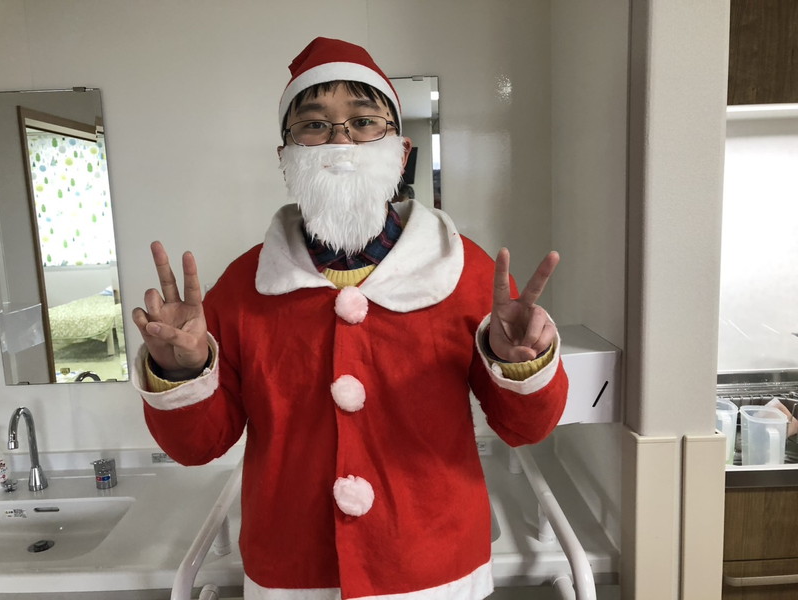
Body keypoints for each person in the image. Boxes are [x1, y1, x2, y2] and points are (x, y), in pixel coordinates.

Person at [132, 37, 568, 600]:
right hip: (291, 568)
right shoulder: (243, 288)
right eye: (314, 126)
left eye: (364, 122)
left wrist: (523, 366)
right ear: (285, 156)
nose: (340, 142)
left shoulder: (463, 271)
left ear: (402, 151)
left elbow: (525, 429)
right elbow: (199, 446)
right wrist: (182, 372)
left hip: (435, 567)